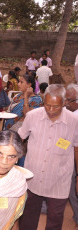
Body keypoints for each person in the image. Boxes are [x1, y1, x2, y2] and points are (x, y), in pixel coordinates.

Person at [18, 84, 78, 230]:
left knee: (55, 219)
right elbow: (20, 139)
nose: (51, 110)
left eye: (56, 106)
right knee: (28, 215)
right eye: (47, 105)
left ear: (64, 103)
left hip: (59, 180)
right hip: (34, 177)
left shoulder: (74, 121)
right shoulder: (32, 116)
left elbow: (76, 148)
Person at [66, 84, 78, 229]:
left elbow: (74, 147)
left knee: (73, 190)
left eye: (68, 100)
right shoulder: (71, 112)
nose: (66, 103)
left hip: (74, 160)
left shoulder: (74, 117)